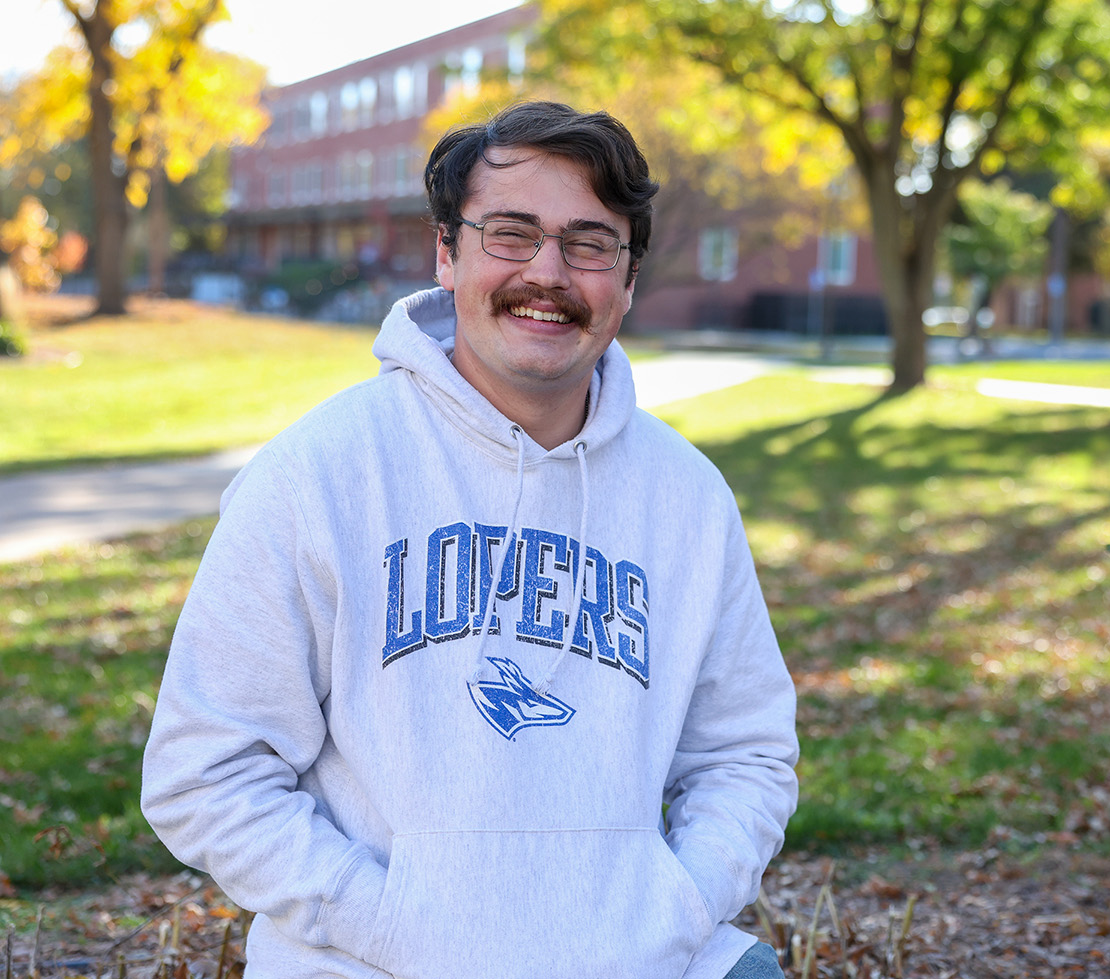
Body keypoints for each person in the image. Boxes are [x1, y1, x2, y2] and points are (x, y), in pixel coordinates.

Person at [141, 100, 799, 979]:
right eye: (511, 234)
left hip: (636, 955)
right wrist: (387, 920)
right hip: (373, 963)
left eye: (589, 243)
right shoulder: (320, 473)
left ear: (629, 279)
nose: (549, 273)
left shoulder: (688, 498)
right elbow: (205, 772)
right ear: (446, 253)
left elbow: (744, 751)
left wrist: (678, 902)